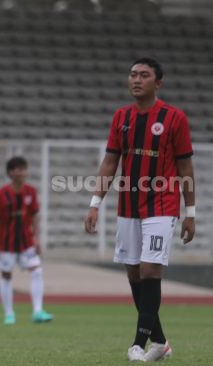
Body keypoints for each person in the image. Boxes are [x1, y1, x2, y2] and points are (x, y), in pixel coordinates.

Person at [84, 57, 195, 362]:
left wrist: (191, 212)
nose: (136, 79)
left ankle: (138, 344)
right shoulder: (121, 117)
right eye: (133, 74)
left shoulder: (174, 118)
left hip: (163, 204)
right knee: (134, 272)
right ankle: (159, 342)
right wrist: (95, 204)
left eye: (144, 75)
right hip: (128, 205)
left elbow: (185, 166)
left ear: (158, 83)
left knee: (150, 268)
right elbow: (110, 163)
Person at [0, 156, 53, 325]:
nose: (21, 172)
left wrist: (36, 238)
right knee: (6, 275)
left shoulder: (30, 192)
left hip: (26, 241)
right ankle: (9, 314)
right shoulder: (0, 194)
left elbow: (35, 216)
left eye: (23, 169)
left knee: (37, 270)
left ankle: (38, 311)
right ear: (10, 172)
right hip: (6, 243)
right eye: (17, 169)